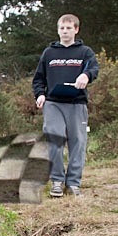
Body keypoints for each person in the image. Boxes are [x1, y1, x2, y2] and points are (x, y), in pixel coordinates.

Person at [33, 13, 100, 198]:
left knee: (77, 143)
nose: (65, 31)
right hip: (53, 103)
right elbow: (38, 78)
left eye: (69, 28)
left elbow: (94, 68)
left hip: (77, 103)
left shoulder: (85, 52)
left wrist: (85, 76)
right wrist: (39, 95)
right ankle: (57, 181)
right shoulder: (49, 53)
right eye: (62, 28)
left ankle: (73, 183)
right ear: (58, 30)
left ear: (76, 30)